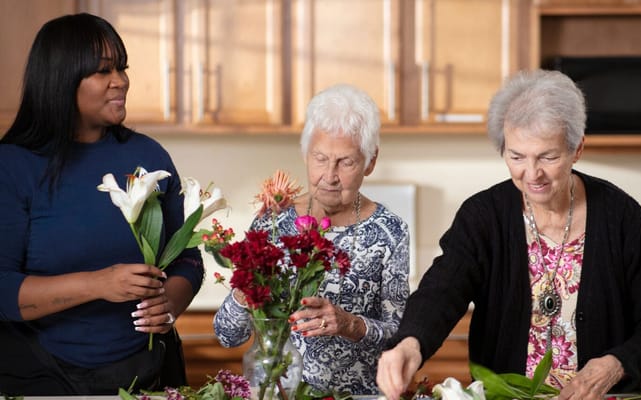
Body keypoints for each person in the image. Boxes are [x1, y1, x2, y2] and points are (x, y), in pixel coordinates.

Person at [376, 69, 641, 400]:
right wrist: (411, 342)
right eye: (516, 156)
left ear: (576, 149)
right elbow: (443, 289)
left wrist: (614, 365)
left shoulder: (621, 217)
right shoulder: (483, 216)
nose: (532, 173)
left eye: (548, 157)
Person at [0, 13, 204, 395]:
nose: (121, 81)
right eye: (102, 71)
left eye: (121, 67)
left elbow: (188, 258)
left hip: (148, 370)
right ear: (61, 80)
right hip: (40, 374)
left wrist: (169, 304)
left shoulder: (149, 157)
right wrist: (99, 284)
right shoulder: (13, 166)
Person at [214, 84, 411, 395]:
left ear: (370, 161)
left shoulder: (390, 231)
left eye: (346, 162)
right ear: (305, 153)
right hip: (276, 394)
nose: (329, 176)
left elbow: (400, 337)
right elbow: (228, 336)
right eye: (320, 158)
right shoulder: (272, 222)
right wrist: (244, 290)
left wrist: (350, 325)